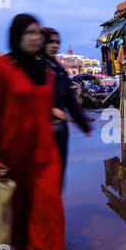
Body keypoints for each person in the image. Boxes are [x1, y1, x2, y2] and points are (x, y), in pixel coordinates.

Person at [0, 14, 65, 250]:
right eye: (28, 32)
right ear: (17, 35)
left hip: (43, 156)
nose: (34, 37)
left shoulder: (45, 70)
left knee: (48, 208)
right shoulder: (1, 69)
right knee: (6, 220)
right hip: (9, 159)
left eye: (37, 32)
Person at [40, 27, 92, 180]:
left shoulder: (60, 71)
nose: (55, 45)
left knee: (58, 174)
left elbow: (70, 101)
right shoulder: (35, 69)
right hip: (41, 133)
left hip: (60, 132)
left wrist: (84, 126)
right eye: (51, 42)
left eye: (57, 42)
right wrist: (50, 110)